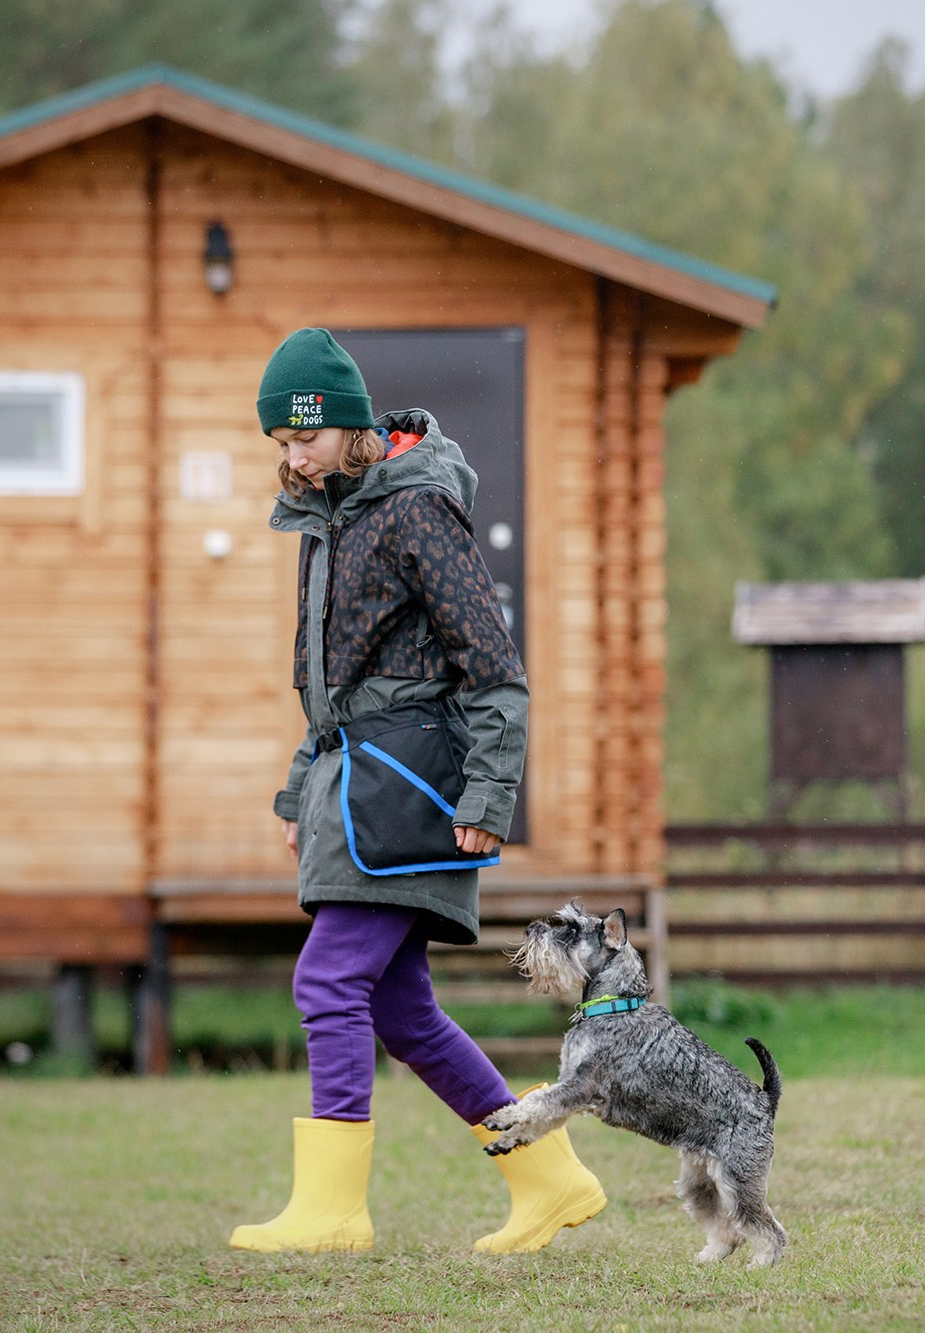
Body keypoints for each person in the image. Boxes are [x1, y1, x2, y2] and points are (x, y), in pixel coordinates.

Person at [228, 328, 605, 1256]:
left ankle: (333, 1212)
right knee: (401, 1011)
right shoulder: (329, 521)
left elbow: (495, 666)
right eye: (281, 442)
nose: (294, 456)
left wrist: (489, 795)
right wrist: (299, 793)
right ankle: (548, 1174)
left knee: (327, 979)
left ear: (349, 426)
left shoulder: (418, 510)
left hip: (410, 794)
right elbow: (334, 691)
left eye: (306, 437)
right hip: (351, 790)